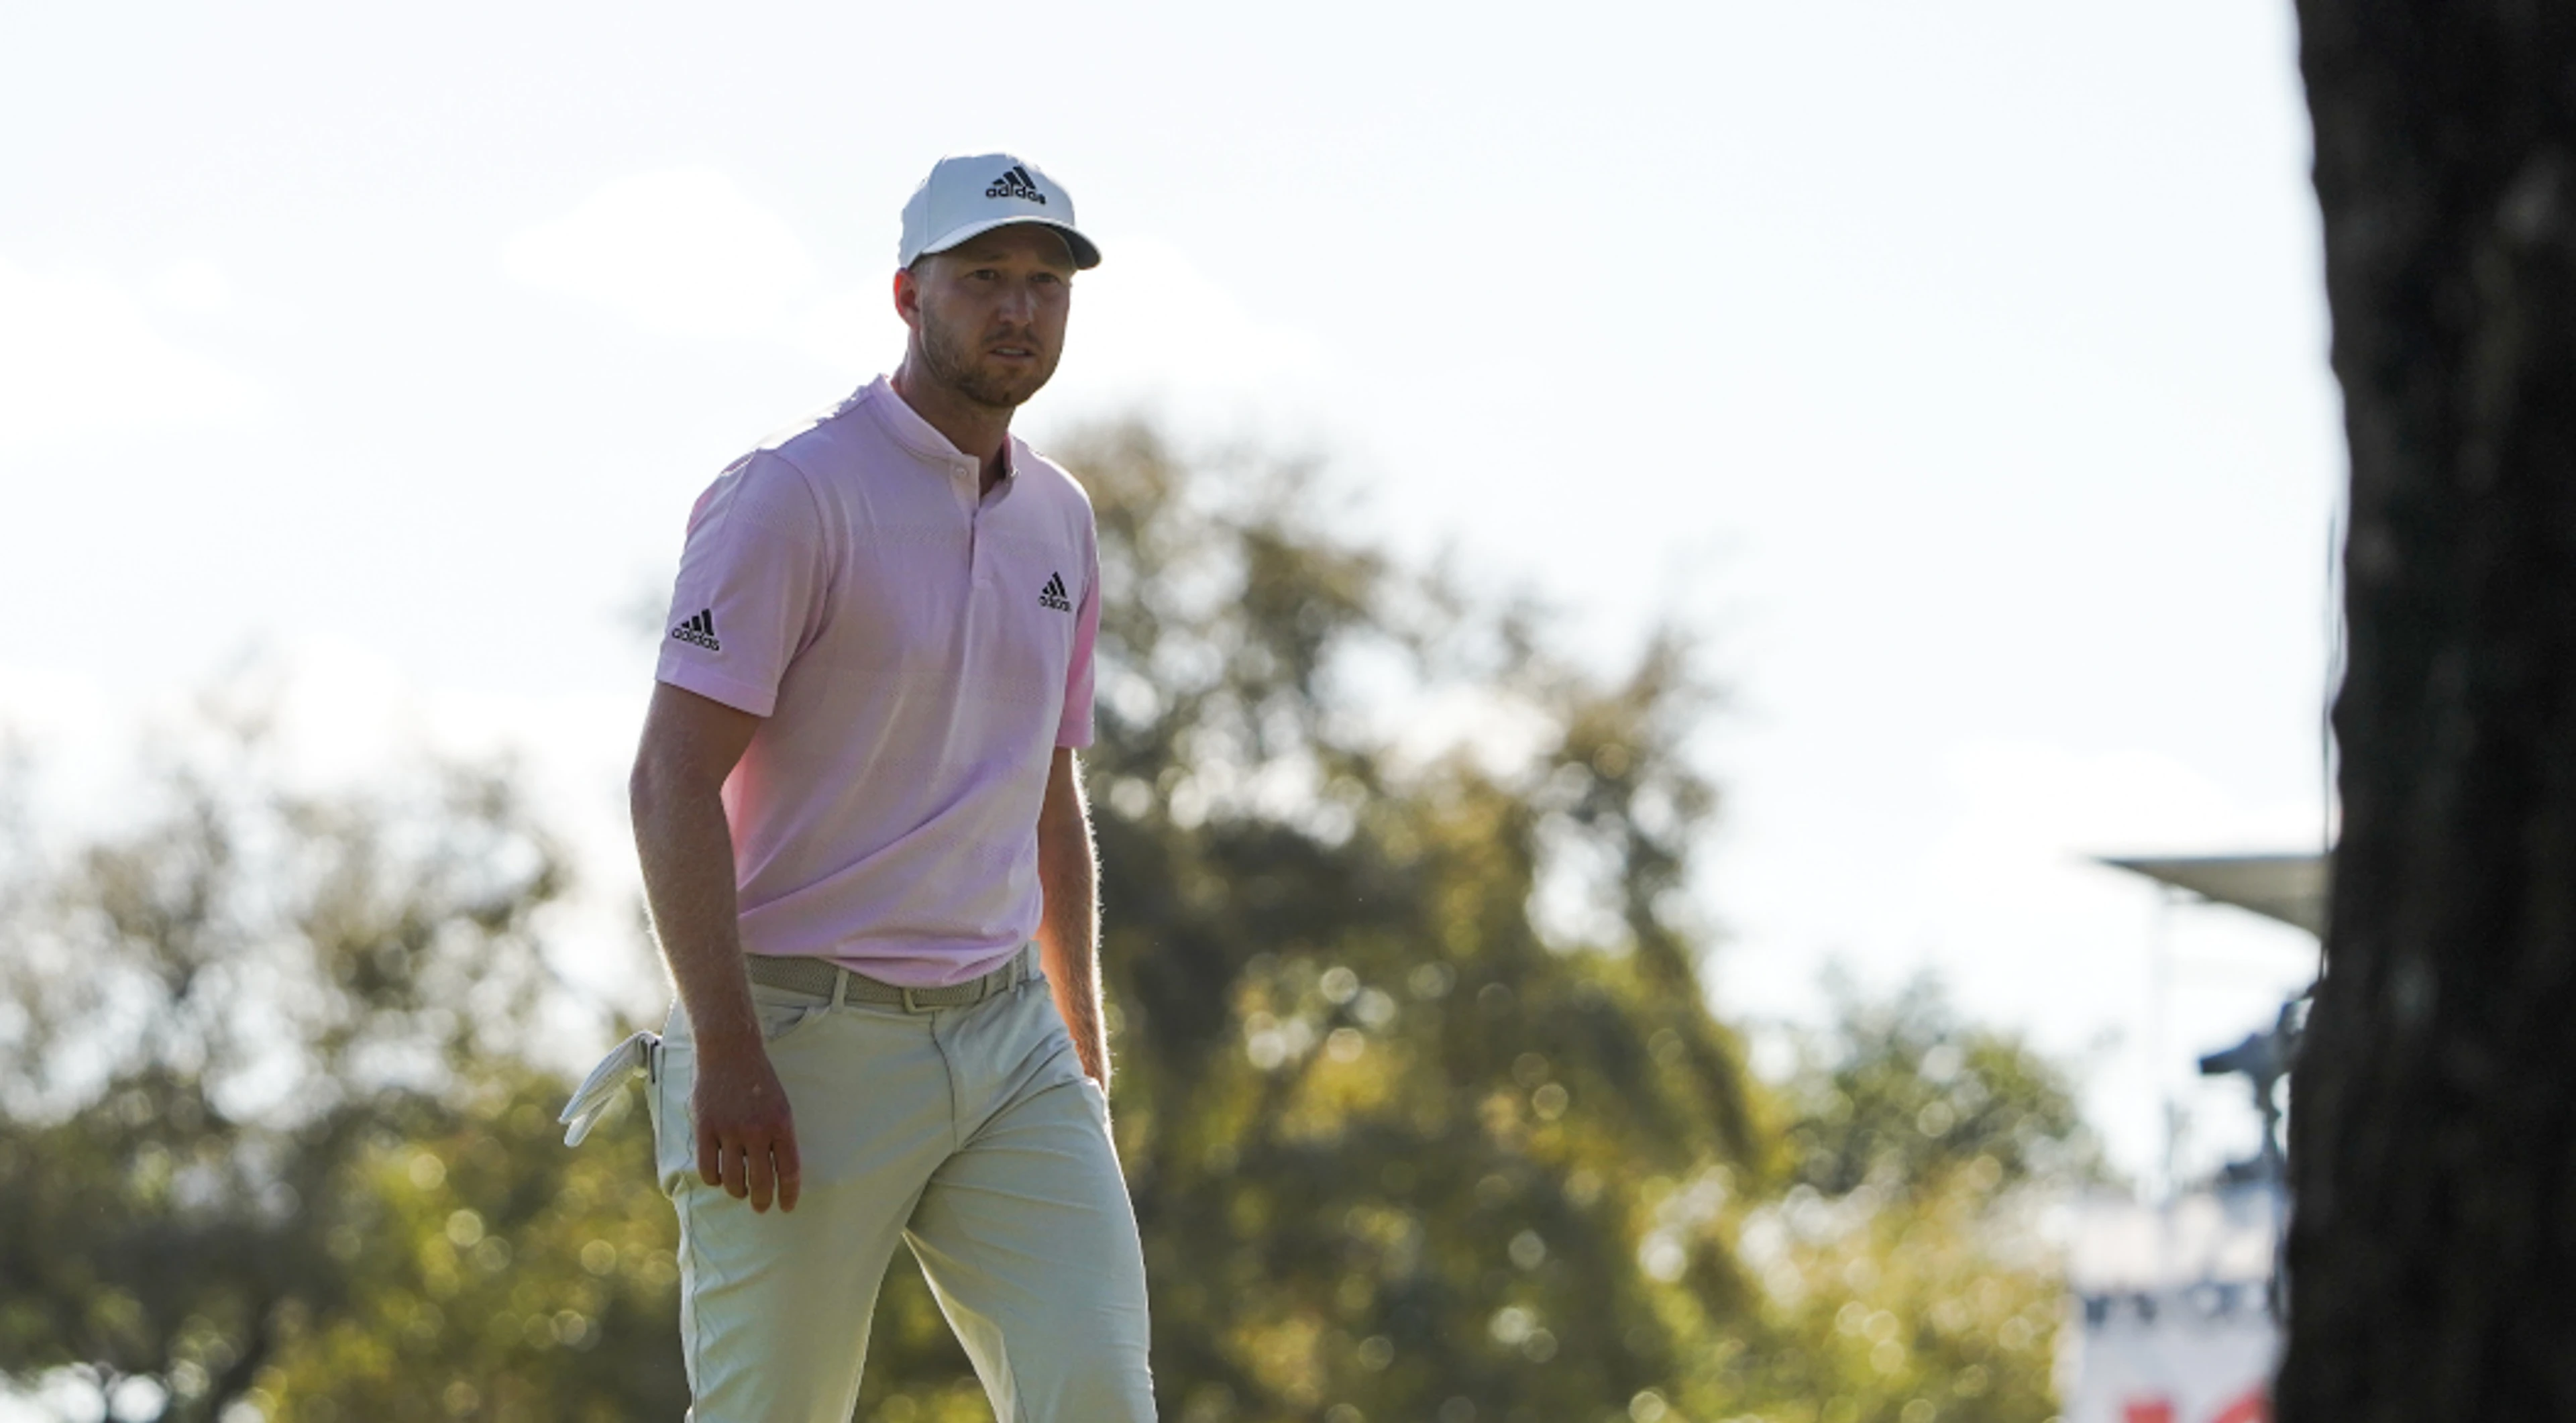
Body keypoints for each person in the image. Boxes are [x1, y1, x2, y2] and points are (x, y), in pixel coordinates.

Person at [564, 152, 1152, 1422]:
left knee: (1100, 1394)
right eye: (984, 277)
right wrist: (726, 1047)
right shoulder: (793, 496)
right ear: (908, 294)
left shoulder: (1060, 519)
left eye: (1046, 283)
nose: (1018, 309)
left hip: (1009, 1045)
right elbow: (671, 782)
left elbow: (1046, 801)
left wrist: (1083, 1057)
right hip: (799, 1047)